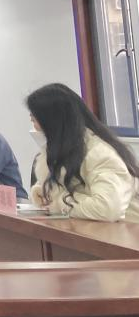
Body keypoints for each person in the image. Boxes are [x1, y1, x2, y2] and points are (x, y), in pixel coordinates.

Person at [26, 83, 139, 221]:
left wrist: (59, 201)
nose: (35, 128)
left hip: (124, 232)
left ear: (53, 123)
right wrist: (44, 191)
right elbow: (63, 185)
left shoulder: (100, 154)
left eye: (35, 121)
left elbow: (107, 208)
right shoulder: (67, 151)